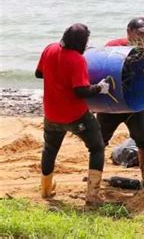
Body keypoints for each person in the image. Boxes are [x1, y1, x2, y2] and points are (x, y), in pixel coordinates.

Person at [35, 23, 110, 205]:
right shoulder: (77, 59)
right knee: (97, 147)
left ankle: (45, 190)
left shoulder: (49, 49)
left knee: (50, 148)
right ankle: (92, 195)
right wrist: (100, 87)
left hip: (51, 112)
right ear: (81, 42)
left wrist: (57, 78)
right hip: (75, 116)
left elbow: (39, 74)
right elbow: (81, 91)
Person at [97, 17, 144, 178]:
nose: (143, 38)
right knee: (98, 143)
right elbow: (100, 70)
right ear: (129, 32)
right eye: (139, 33)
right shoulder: (113, 46)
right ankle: (94, 181)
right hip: (112, 104)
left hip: (134, 104)